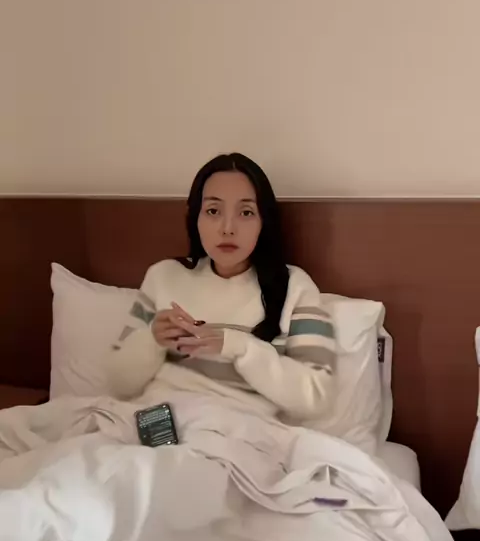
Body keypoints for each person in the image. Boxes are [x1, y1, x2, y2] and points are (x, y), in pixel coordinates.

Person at [108, 153, 336, 420]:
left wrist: (240, 347)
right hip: (157, 424)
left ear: (264, 222)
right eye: (213, 211)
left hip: (240, 428)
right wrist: (152, 339)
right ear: (196, 218)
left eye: (246, 213)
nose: (228, 228)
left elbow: (318, 397)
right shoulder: (164, 276)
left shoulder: (294, 286)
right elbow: (118, 385)